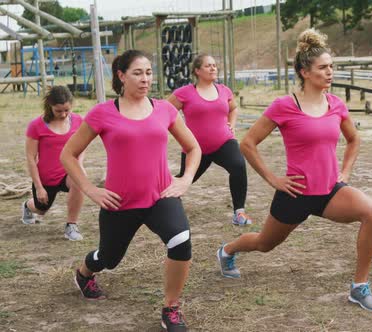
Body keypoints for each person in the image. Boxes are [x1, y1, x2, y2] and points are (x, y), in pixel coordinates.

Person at [216, 29, 372, 312]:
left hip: (330, 191)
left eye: (331, 67)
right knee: (264, 244)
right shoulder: (284, 105)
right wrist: (273, 179)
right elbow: (247, 144)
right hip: (295, 193)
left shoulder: (336, 105)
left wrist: (345, 172)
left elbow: (354, 139)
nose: (330, 72)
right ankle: (227, 251)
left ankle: (359, 286)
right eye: (323, 67)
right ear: (305, 72)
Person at [60, 50, 201, 331]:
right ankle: (85, 272)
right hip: (119, 202)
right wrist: (90, 190)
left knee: (181, 241)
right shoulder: (102, 113)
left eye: (149, 72)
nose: (145, 78)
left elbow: (193, 147)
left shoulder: (164, 109)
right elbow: (68, 154)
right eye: (137, 73)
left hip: (161, 196)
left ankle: (171, 308)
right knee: (109, 258)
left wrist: (185, 179)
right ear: (121, 76)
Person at [167, 54, 252, 226]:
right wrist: (179, 131)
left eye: (214, 65)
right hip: (195, 149)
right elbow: (165, 112)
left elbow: (233, 108)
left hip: (223, 143)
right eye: (208, 66)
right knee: (184, 179)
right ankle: (159, 203)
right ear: (197, 71)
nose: (213, 68)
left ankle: (239, 212)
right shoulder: (184, 93)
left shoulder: (224, 90)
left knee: (238, 166)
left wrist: (232, 125)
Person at [23, 85, 84, 241]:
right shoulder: (36, 126)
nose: (63, 114)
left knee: (79, 180)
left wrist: (79, 165)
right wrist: (38, 187)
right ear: (50, 106)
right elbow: (31, 157)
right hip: (46, 178)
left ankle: (71, 225)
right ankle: (27, 206)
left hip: (67, 172)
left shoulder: (78, 121)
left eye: (67, 110)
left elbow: (81, 146)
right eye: (58, 111)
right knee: (41, 210)